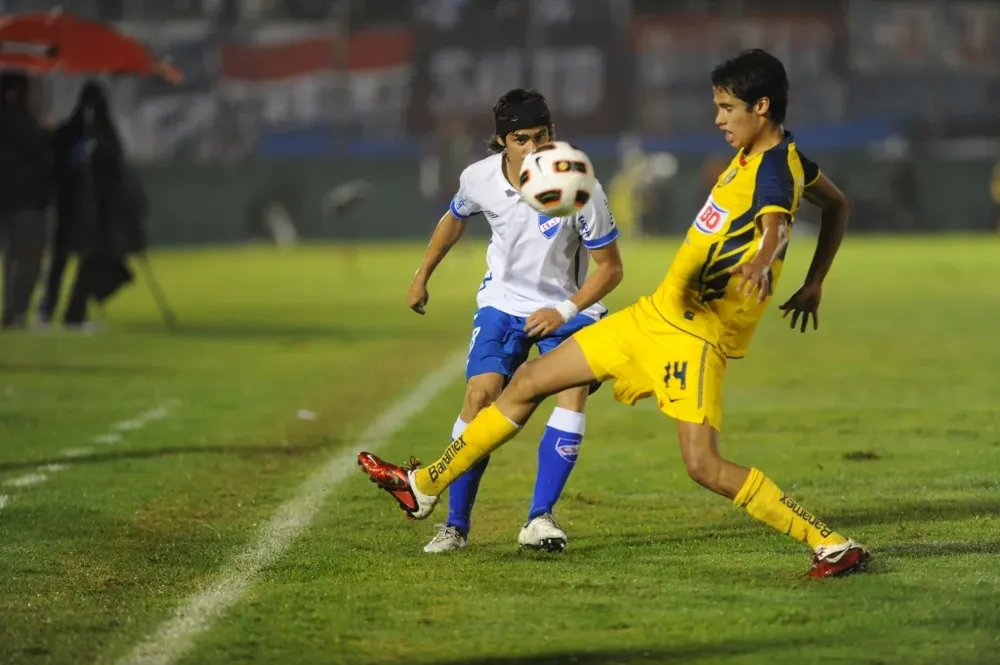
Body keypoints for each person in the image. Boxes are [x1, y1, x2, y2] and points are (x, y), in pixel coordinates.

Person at [359, 50, 868, 579]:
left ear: (760, 106)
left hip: (693, 336)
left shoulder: (773, 172)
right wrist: (813, 282)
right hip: (656, 314)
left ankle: (830, 543)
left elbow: (776, 225)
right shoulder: (777, 157)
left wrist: (765, 261)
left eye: (726, 107)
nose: (717, 118)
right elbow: (837, 205)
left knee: (703, 465)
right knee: (531, 379)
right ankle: (424, 489)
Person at [405, 88, 623, 553]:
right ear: (504, 140)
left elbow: (611, 268)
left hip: (570, 307)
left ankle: (540, 519)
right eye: (523, 138)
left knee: (572, 390)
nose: (535, 146)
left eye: (543, 135)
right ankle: (455, 526)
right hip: (503, 303)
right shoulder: (479, 178)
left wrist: (564, 311)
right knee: (480, 395)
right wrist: (423, 273)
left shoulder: (580, 186)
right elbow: (455, 216)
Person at [39, 81, 144, 329]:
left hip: (88, 208)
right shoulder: (77, 135)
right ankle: (60, 310)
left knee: (71, 260)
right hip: (81, 207)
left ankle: (63, 310)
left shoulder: (93, 136)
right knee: (67, 259)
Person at [0, 72, 51, 330]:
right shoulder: (20, 122)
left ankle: (12, 311)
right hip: (26, 200)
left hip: (13, 200)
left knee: (13, 258)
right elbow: (41, 153)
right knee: (28, 258)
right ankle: (17, 311)